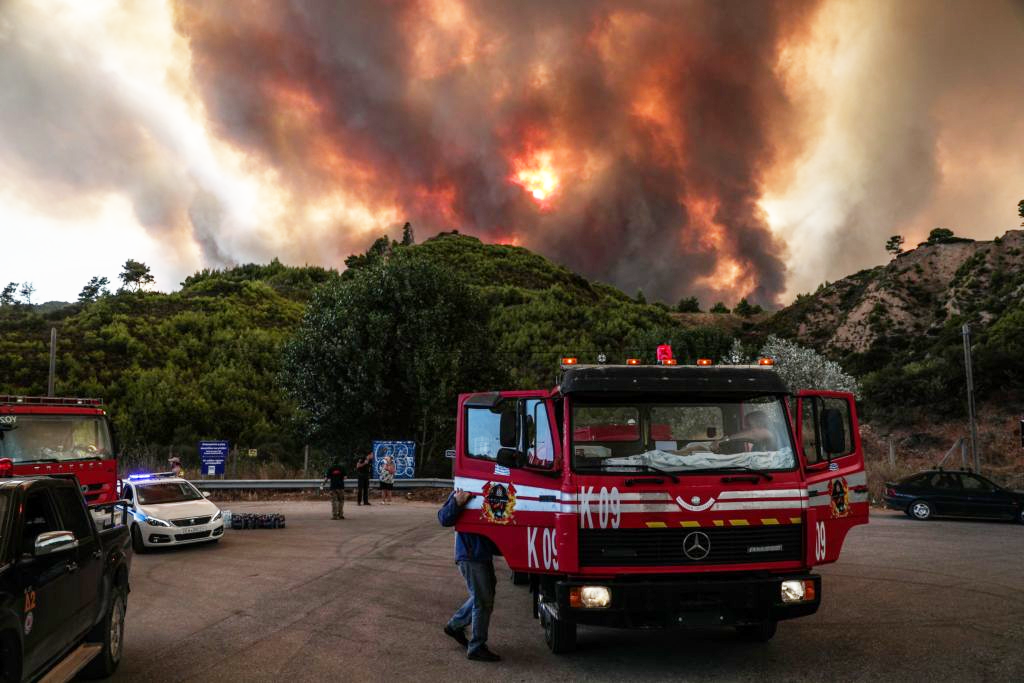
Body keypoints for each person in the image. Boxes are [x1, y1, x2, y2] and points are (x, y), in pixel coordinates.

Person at [438, 489, 502, 662]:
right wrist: (457, 502)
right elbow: (443, 518)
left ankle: (455, 626)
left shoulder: (492, 489)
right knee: (482, 600)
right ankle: (476, 647)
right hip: (470, 555)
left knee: (483, 596)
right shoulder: (464, 488)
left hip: (482, 555)